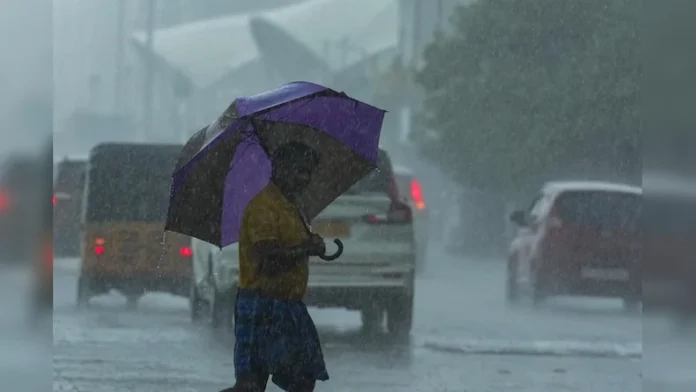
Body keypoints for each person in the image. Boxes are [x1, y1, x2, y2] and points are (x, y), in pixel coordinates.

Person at [222, 142, 329, 392]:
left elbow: (292, 246)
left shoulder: (291, 206)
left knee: (303, 378)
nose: (304, 178)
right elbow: (267, 258)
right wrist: (306, 248)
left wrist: (312, 243)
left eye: (308, 173)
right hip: (261, 304)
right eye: (298, 171)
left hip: (289, 306)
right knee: (251, 385)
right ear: (279, 168)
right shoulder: (263, 207)